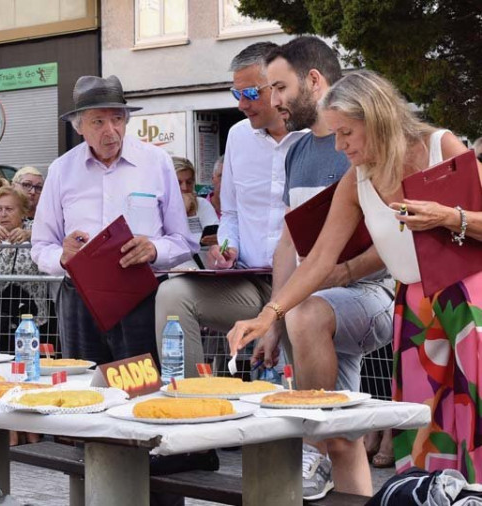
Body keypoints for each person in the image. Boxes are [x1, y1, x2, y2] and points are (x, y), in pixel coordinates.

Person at [227, 69, 482, 482]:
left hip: (471, 299)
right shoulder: (357, 178)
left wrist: (448, 217)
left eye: (346, 132)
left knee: (475, 419)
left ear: (377, 118)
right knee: (424, 431)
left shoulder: (440, 145)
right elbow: (319, 259)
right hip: (415, 308)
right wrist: (269, 314)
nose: (339, 144)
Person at [261, 36, 396, 499]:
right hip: (317, 297)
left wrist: (345, 273)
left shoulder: (376, 149)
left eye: (280, 87)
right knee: (346, 435)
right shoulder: (297, 152)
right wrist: (271, 318)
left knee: (307, 315)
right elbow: (297, 249)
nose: (273, 100)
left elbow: (400, 238)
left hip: (376, 298)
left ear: (314, 80)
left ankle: (311, 444)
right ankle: (327, 448)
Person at [153, 42, 305, 378]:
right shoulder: (238, 137)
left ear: (280, 86)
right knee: (173, 294)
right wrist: (227, 248)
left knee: (299, 374)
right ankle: (192, 406)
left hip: (305, 286)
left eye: (250, 92)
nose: (241, 104)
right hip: (249, 282)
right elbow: (232, 215)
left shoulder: (316, 136)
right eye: (235, 93)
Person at [31, 74, 197, 366]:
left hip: (141, 295)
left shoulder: (156, 162)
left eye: (117, 119)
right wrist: (62, 256)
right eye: (98, 121)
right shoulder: (61, 170)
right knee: (83, 389)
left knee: (143, 385)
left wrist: (155, 250)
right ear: (79, 126)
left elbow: (183, 241)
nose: (111, 130)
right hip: (80, 297)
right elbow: (41, 246)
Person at [0, 187, 49, 350]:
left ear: (23, 211)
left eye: (9, 209)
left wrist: (29, 234)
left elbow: (49, 235)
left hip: (32, 316)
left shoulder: (35, 228)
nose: (3, 214)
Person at [173, 156, 219, 247]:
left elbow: (214, 234)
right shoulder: (159, 206)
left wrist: (217, 238)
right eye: (178, 183)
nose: (184, 188)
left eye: (189, 182)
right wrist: (182, 211)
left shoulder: (202, 204)